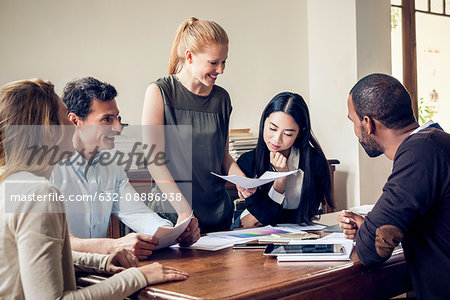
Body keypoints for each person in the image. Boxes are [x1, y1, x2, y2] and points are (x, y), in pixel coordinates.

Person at [0, 79, 188, 299]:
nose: (72, 126)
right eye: (66, 119)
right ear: (50, 130)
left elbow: (45, 251)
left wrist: (102, 262)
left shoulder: (12, 181)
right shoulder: (39, 193)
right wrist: (138, 276)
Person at [51, 77, 200, 259]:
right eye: (106, 119)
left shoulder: (111, 165)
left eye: (117, 117)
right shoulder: (47, 169)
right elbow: (50, 240)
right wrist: (113, 245)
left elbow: (139, 214)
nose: (118, 127)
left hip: (97, 270)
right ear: (75, 121)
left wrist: (174, 233)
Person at [338, 73, 449, 299]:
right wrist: (370, 225)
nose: (355, 131)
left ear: (367, 123)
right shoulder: (437, 142)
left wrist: (369, 231)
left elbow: (372, 250)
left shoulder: (420, 153)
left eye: (353, 121)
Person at [142, 17, 254, 233]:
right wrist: (184, 211)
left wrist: (241, 180)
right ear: (190, 56)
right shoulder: (160, 92)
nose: (221, 70)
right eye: (213, 62)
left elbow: (222, 155)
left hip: (217, 216)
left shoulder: (222, 99)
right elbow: (154, 162)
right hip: (174, 216)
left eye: (224, 62)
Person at [235, 92, 334, 228]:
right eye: (272, 128)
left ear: (300, 132)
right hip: (250, 230)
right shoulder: (247, 161)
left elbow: (308, 212)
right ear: (264, 121)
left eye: (288, 134)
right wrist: (281, 179)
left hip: (296, 230)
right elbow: (261, 218)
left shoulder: (314, 161)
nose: (276, 139)